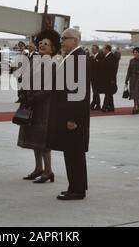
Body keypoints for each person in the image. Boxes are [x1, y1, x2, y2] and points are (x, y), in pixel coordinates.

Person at [47, 28, 90, 200]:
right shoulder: (71, 57)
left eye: (65, 38)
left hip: (74, 118)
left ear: (75, 40)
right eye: (61, 38)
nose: (62, 41)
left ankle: (77, 190)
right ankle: (76, 186)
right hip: (69, 115)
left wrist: (73, 118)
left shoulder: (77, 58)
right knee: (72, 153)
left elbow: (79, 93)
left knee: (74, 153)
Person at [17, 30, 61, 184]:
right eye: (41, 43)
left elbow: (50, 88)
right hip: (31, 104)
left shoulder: (53, 64)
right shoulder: (35, 61)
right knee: (34, 138)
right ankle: (38, 168)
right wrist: (22, 93)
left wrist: (34, 98)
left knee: (43, 140)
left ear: (53, 48)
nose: (42, 45)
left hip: (43, 106)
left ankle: (48, 170)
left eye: (46, 44)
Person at [125, 47, 139, 114]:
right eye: (134, 52)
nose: (135, 53)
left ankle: (135, 107)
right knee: (133, 94)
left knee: (136, 94)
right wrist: (126, 79)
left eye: (136, 52)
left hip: (138, 78)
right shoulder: (131, 60)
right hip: (132, 79)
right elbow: (129, 70)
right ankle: (138, 108)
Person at [100, 45, 118, 112]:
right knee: (109, 94)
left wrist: (112, 79)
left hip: (110, 79)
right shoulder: (106, 56)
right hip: (106, 79)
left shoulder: (112, 57)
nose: (102, 50)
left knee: (108, 93)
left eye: (103, 49)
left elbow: (114, 70)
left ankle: (104, 107)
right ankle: (111, 107)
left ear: (107, 49)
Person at [90, 44, 103, 110]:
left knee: (96, 92)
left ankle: (94, 104)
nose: (92, 50)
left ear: (97, 49)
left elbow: (101, 69)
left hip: (97, 78)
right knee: (95, 92)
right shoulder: (91, 57)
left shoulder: (100, 57)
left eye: (94, 49)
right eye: (92, 49)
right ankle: (97, 104)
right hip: (92, 78)